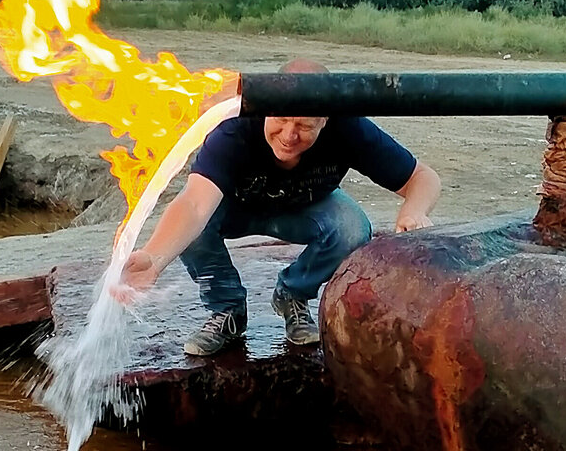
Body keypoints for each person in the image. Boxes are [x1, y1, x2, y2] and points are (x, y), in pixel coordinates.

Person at [120, 60, 442, 356]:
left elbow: (422, 176)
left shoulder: (349, 128)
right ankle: (227, 310)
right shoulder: (233, 129)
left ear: (325, 120)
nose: (289, 135)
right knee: (195, 228)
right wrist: (155, 258)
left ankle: (293, 294)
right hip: (235, 208)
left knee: (352, 227)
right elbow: (193, 203)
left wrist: (413, 211)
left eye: (304, 125)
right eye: (281, 119)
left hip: (305, 209)